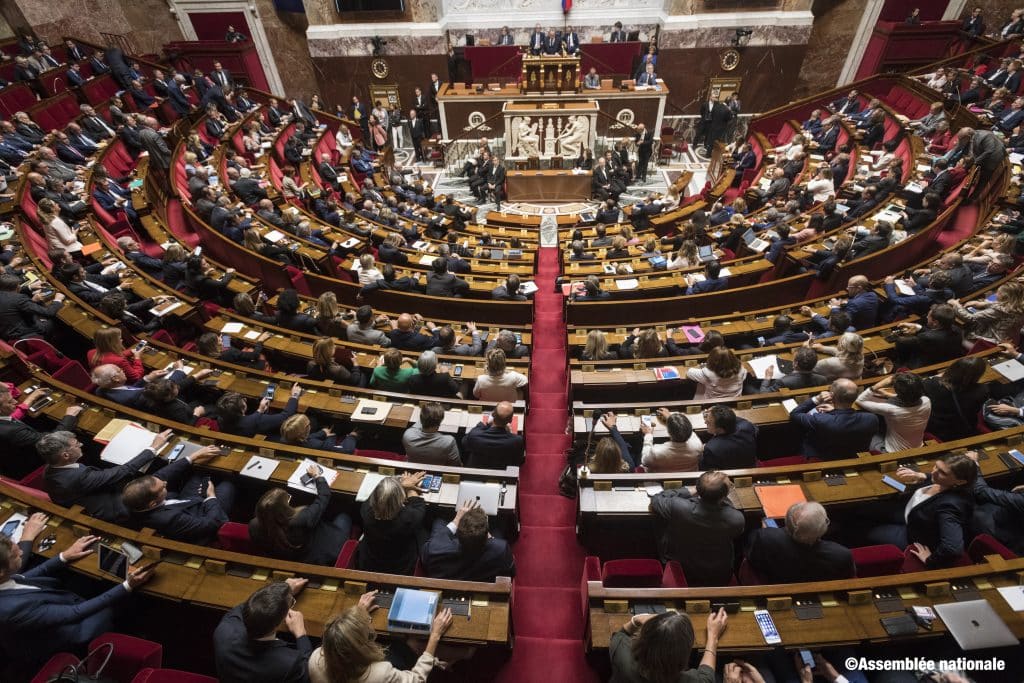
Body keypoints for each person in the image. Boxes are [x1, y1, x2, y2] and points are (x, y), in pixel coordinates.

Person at [0, 533, 154, 666]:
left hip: (53, 604)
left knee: (82, 581)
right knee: (118, 605)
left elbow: (27, 576)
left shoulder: (3, 581)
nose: (21, 551)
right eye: (15, 555)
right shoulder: (9, 610)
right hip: (68, 635)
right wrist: (128, 585)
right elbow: (75, 612)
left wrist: (64, 556)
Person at [308, 590, 453, 683]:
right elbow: (416, 679)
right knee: (411, 646)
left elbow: (341, 638)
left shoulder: (315, 659)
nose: (371, 629)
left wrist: (357, 615)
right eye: (368, 633)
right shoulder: (380, 674)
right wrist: (434, 636)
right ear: (361, 647)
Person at [864, 453, 978, 568]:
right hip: (910, 512)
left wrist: (930, 560)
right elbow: (935, 475)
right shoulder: (944, 482)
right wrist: (922, 475)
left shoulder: (950, 506)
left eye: (942, 472)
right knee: (865, 508)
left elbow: (953, 548)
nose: (934, 472)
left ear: (960, 481)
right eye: (935, 466)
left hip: (912, 534)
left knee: (866, 531)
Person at [121, 444, 234, 544]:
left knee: (200, 470)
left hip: (184, 501)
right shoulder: (169, 519)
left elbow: (160, 476)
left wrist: (194, 456)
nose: (165, 482)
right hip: (203, 516)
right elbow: (210, 524)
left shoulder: (137, 498)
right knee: (229, 482)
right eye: (163, 487)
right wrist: (211, 496)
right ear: (152, 503)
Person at [649, 471, 745, 586]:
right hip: (720, 574)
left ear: (698, 488)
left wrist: (688, 491)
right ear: (725, 495)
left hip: (682, 570)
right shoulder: (736, 519)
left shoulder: (679, 507)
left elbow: (656, 499)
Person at [248, 467, 352, 566]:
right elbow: (324, 496)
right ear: (283, 510)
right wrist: (317, 476)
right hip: (322, 552)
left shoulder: (253, 526)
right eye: (287, 499)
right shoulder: (302, 519)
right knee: (344, 515)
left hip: (290, 557)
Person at [213, 579, 311, 683]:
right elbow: (308, 671)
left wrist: (280, 591)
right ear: (280, 622)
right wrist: (301, 634)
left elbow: (247, 607)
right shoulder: (288, 664)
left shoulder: (224, 631)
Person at [609, 608, 726, 683]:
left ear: (642, 641)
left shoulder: (622, 654)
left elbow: (620, 634)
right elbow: (707, 676)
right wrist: (713, 637)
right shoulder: (693, 680)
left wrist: (637, 619)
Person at [747, 502, 855, 582]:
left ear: (787, 521)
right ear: (824, 529)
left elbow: (751, 559)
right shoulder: (841, 555)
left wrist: (769, 531)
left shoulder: (765, 537)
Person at [422, 499, 516, 581]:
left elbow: (425, 560)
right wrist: (489, 534)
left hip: (448, 581)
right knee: (499, 524)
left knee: (439, 521)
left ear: (458, 534)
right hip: (483, 583)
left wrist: (456, 520)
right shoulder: (500, 549)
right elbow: (511, 572)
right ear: (487, 535)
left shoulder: (434, 548)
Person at [788, 379, 878, 461]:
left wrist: (817, 399)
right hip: (853, 456)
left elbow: (795, 414)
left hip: (822, 458)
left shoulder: (821, 419)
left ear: (832, 396)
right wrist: (835, 411)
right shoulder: (871, 418)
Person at [357, 473, 427, 574]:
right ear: (399, 500)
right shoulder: (408, 519)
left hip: (370, 562)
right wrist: (410, 488)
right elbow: (418, 505)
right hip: (401, 566)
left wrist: (400, 485)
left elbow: (379, 494)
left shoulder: (365, 510)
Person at [856, 373, 932, 452]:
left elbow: (860, 400)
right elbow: (910, 399)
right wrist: (888, 395)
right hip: (918, 445)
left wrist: (878, 385)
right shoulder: (927, 401)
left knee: (865, 436)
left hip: (892, 450)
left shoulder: (891, 409)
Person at [923, 357, 987, 442]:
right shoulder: (982, 390)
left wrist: (939, 377)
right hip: (962, 429)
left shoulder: (931, 384)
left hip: (936, 427)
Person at [216, 385, 302, 438]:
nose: (245, 399)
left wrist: (259, 411)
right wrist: (295, 395)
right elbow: (286, 416)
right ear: (242, 408)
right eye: (242, 400)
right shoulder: (257, 421)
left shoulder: (221, 419)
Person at [463, 400, 525, 469]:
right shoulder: (517, 441)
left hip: (476, 470)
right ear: (510, 420)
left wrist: (486, 425)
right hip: (501, 472)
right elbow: (519, 460)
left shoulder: (475, 435)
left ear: (493, 414)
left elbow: (464, 443)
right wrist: (510, 433)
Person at [640, 407, 704, 472]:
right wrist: (671, 419)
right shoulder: (697, 444)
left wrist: (648, 435)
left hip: (661, 479)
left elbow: (644, 461)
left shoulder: (656, 452)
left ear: (669, 432)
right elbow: (686, 430)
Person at [402, 401, 462, 466]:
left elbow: (420, 422)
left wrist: (429, 410)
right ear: (440, 421)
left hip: (413, 471)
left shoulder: (408, 434)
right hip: (437, 472)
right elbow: (456, 464)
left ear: (421, 417)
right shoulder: (449, 441)